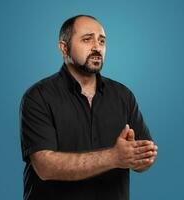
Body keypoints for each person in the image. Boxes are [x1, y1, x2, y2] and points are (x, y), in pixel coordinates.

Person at [19, 14, 158, 200]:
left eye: (102, 41)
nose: (97, 47)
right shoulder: (38, 96)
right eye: (87, 39)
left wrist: (141, 156)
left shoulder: (123, 95)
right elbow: (45, 166)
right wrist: (114, 157)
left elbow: (142, 162)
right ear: (63, 48)